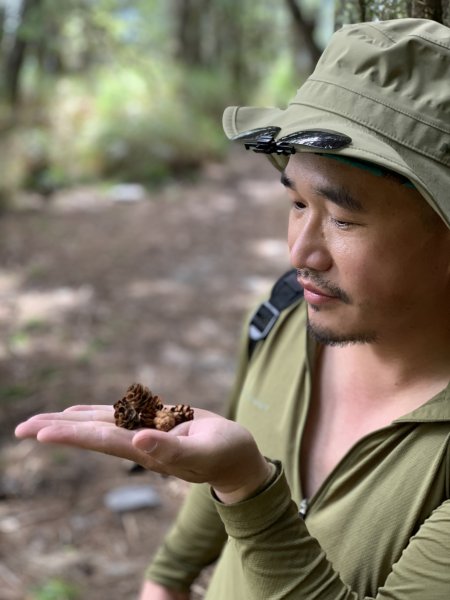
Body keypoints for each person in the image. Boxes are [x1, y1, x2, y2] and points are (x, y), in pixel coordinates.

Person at [15, 18, 449, 600]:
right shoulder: (287, 315)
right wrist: (167, 574)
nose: (300, 251)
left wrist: (247, 488)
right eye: (297, 202)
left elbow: (239, 474)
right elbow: (231, 454)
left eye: (343, 218)